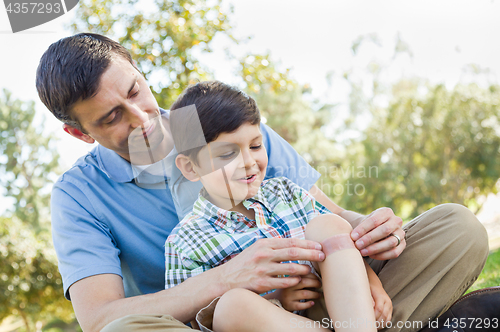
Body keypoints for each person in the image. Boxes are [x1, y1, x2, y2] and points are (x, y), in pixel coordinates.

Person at [35, 32, 488, 332]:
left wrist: (371, 233)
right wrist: (228, 279)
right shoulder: (79, 196)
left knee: (456, 228)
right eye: (113, 117)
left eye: (135, 92)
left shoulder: (222, 127)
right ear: (78, 133)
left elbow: (327, 219)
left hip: (326, 296)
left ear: (140, 75)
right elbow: (99, 318)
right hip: (232, 323)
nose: (143, 120)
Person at [165, 81, 387, 331]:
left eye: (256, 146)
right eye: (227, 154)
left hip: (344, 309)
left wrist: (373, 284)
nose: (249, 161)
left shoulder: (285, 192)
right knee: (232, 305)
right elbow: (194, 321)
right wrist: (276, 300)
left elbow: (343, 247)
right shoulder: (184, 241)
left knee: (330, 224)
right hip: (275, 324)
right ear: (191, 167)